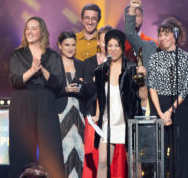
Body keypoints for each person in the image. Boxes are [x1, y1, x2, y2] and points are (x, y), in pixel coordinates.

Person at [9, 16, 65, 178]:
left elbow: (58, 84)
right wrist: (32, 71)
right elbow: (14, 80)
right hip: (22, 101)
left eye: (34, 28)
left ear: (42, 32)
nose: (30, 31)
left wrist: (42, 70)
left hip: (45, 102)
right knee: (22, 149)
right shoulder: (17, 55)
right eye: (27, 28)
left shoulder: (53, 56)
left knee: (51, 148)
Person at [93, 29, 147, 178]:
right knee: (103, 163)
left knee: (134, 164)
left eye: (117, 46)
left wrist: (142, 80)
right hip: (108, 120)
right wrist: (97, 115)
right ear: (105, 47)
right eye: (110, 45)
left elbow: (143, 96)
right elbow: (100, 96)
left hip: (127, 120)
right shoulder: (101, 70)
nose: (113, 49)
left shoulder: (131, 68)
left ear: (122, 47)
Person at [148, 17, 188, 177]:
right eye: (160, 34)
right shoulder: (154, 58)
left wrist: (170, 110)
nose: (162, 38)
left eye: (166, 34)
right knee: (158, 153)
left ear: (175, 35)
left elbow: (185, 88)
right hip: (158, 105)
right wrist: (161, 113)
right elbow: (151, 86)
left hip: (180, 107)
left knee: (181, 153)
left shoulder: (187, 58)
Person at [55, 31, 96, 178]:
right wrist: (64, 89)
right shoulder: (54, 64)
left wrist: (83, 86)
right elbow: (47, 90)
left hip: (78, 114)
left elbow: (90, 90)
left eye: (73, 44)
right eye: (67, 45)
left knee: (80, 152)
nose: (70, 48)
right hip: (60, 114)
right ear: (59, 46)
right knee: (62, 152)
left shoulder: (81, 64)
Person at [124, 0, 157, 69]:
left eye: (137, 15)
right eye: (132, 16)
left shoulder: (152, 44)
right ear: (126, 18)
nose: (134, 19)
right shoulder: (118, 44)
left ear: (143, 17)